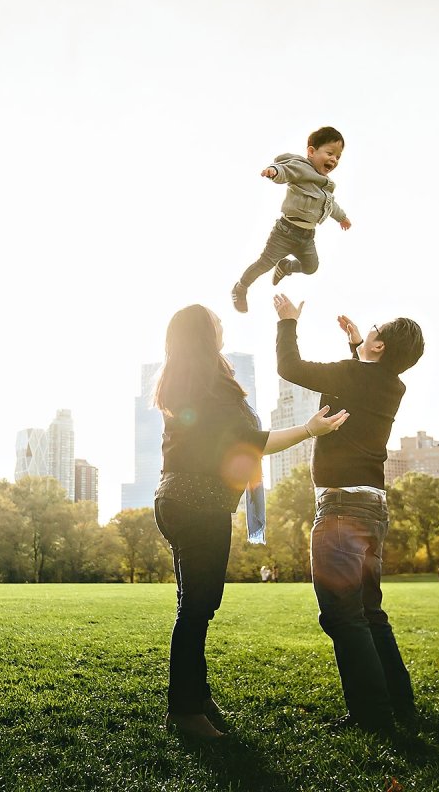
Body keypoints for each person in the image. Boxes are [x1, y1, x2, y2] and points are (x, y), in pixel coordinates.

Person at [154, 303, 348, 739]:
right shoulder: (212, 389)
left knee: (194, 606)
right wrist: (309, 430)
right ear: (205, 334)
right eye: (216, 321)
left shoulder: (184, 382)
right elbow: (254, 442)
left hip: (172, 500)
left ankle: (196, 696)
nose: (223, 324)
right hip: (199, 505)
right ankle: (185, 712)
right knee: (196, 610)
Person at [273, 292, 425, 734]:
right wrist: (358, 344)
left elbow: (290, 367)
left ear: (378, 348)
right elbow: (363, 380)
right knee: (369, 611)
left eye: (375, 329)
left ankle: (373, 717)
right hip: (374, 506)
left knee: (342, 614)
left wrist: (287, 322)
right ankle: (399, 705)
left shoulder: (354, 373)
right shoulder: (393, 384)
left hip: (341, 509)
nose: (370, 329)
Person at [230, 126, 352, 314]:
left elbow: (331, 206)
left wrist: (342, 217)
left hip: (307, 237)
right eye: (330, 153)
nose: (334, 160)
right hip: (285, 233)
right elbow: (286, 170)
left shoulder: (324, 186)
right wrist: (274, 171)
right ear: (311, 152)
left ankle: (286, 266)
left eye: (338, 157)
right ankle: (240, 287)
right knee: (264, 264)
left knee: (311, 267)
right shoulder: (302, 167)